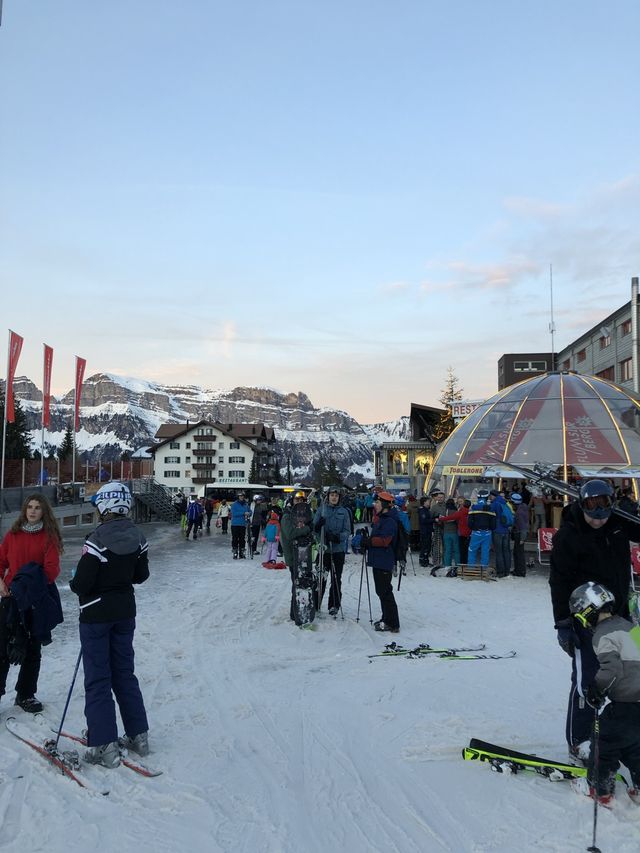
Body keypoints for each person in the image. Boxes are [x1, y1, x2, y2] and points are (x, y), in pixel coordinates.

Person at [549, 479, 639, 758]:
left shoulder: (618, 523)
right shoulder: (568, 535)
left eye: (603, 509)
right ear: (581, 505)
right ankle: (580, 740)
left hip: (621, 613)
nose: (597, 518)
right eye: (591, 511)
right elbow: (559, 581)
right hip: (584, 618)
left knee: (631, 672)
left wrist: (629, 511)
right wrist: (563, 623)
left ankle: (625, 735)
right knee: (588, 678)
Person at [69, 482, 149, 768]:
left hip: (95, 615)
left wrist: (75, 579)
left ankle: (103, 744)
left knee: (98, 678)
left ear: (104, 505)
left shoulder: (96, 540)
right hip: (125, 613)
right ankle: (139, 736)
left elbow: (82, 584)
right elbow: (141, 576)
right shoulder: (138, 536)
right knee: (124, 673)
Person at [568, 581, 640, 806]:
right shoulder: (630, 627)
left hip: (626, 702)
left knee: (604, 741)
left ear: (587, 611)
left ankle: (599, 789)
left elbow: (611, 669)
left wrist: (596, 689)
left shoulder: (602, 634)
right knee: (635, 744)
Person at [0, 493, 63, 713]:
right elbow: (0, 562)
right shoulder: (12, 535)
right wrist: (1, 583)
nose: (33, 511)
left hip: (36, 602)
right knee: (3, 649)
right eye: (29, 507)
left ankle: (25, 694)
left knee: (32, 649)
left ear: (44, 511)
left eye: (37, 507)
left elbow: (51, 570)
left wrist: (29, 587)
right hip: (10, 600)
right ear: (24, 510)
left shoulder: (49, 537)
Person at [313, 487, 351, 615]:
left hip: (337, 551)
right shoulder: (321, 510)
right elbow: (314, 529)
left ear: (339, 498)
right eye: (332, 495)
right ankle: (315, 603)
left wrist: (338, 538)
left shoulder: (344, 512)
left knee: (336, 578)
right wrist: (319, 531)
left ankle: (334, 605)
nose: (334, 497)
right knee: (320, 578)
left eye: (336, 495)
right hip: (324, 550)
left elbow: (347, 531)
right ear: (328, 496)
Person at [366, 491, 400, 633]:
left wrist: (369, 541)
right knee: (382, 591)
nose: (375, 505)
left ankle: (392, 623)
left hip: (384, 560)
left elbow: (385, 540)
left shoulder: (389, 521)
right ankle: (387, 618)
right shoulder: (382, 518)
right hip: (379, 559)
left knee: (385, 592)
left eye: (378, 503)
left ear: (385, 505)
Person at [280, 491, 314, 622]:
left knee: (303, 583)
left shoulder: (306, 516)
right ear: (292, 501)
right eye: (297, 500)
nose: (299, 503)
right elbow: (291, 533)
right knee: (297, 584)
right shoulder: (287, 516)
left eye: (302, 501)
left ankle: (299, 611)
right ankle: (295, 613)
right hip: (293, 556)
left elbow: (309, 531)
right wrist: (307, 529)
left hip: (304, 555)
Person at [467, 489, 496, 567]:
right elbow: (493, 525)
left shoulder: (473, 507)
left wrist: (474, 528)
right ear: (487, 497)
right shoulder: (491, 508)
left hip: (475, 533)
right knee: (485, 552)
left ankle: (470, 569)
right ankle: (484, 570)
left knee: (472, 551)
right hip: (487, 534)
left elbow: (469, 523)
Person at [490, 489, 513, 577]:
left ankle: (500, 572)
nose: (490, 498)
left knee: (499, 552)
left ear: (493, 496)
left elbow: (489, 513)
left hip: (498, 530)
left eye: (491, 496)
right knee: (506, 551)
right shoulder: (505, 503)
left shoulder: (495, 504)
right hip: (506, 530)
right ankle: (507, 570)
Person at [510, 493, 529, 577]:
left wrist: (522, 538)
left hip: (519, 534)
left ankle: (520, 571)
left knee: (518, 553)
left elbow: (522, 526)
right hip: (521, 533)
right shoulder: (524, 508)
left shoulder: (519, 513)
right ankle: (519, 570)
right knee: (518, 552)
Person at [230, 493, 251, 559]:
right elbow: (233, 513)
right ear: (238, 497)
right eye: (240, 496)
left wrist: (249, 513)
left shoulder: (246, 504)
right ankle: (235, 552)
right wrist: (243, 513)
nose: (241, 497)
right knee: (235, 539)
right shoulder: (234, 504)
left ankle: (242, 552)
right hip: (235, 524)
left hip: (243, 524)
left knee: (242, 539)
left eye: (242, 496)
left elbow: (250, 511)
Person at [418, 496, 433, 567]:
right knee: (425, 546)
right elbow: (423, 520)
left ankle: (426, 560)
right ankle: (422, 560)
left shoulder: (427, 510)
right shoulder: (422, 510)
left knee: (428, 546)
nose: (429, 502)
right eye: (428, 501)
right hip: (424, 531)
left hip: (428, 530)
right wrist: (433, 520)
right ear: (424, 502)